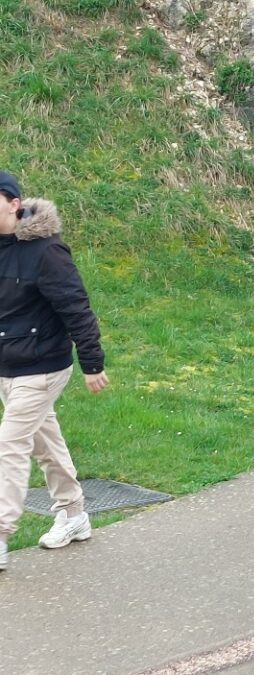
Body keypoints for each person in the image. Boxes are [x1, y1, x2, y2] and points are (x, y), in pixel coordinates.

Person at [0, 171, 109, 572]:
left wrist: (92, 362)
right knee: (43, 440)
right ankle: (74, 513)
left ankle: (0, 533)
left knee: (9, 444)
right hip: (7, 366)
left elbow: (75, 305)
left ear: (14, 203)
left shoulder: (45, 251)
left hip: (43, 366)